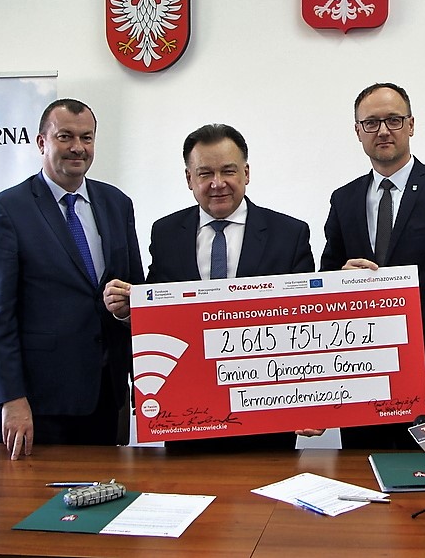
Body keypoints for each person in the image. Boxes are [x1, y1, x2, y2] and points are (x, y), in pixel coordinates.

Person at [104, 123, 315, 450]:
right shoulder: (166, 233)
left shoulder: (289, 234)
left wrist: (311, 400)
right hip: (187, 415)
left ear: (246, 173)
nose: (218, 183)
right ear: (189, 178)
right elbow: (159, 313)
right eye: (205, 173)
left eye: (228, 171)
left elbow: (307, 324)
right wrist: (128, 309)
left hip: (266, 418)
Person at [321, 82, 425, 449]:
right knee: (362, 483)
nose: (383, 130)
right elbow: (325, 285)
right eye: (371, 123)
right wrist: (339, 280)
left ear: (411, 125)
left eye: (394, 120)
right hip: (362, 385)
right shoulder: (344, 199)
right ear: (358, 132)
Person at [0, 98, 144, 460]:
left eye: (87, 137)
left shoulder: (117, 203)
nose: (77, 147)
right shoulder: (8, 209)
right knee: (35, 494)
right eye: (65, 136)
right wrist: (11, 398)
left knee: (103, 490)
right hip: (40, 402)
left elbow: (138, 293)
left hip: (107, 393)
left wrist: (126, 309)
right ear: (42, 142)